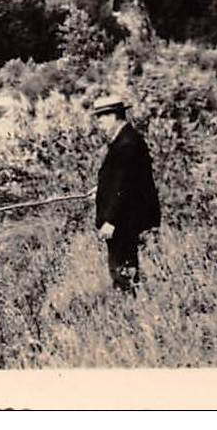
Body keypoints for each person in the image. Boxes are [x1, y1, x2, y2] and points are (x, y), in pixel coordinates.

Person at [91, 94, 162, 293]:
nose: (99, 123)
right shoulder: (126, 139)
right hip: (127, 219)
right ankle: (132, 306)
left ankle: (130, 311)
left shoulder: (126, 144)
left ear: (115, 116)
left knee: (123, 271)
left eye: (102, 117)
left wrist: (110, 221)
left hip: (125, 221)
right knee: (126, 268)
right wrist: (101, 190)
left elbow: (125, 186)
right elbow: (120, 180)